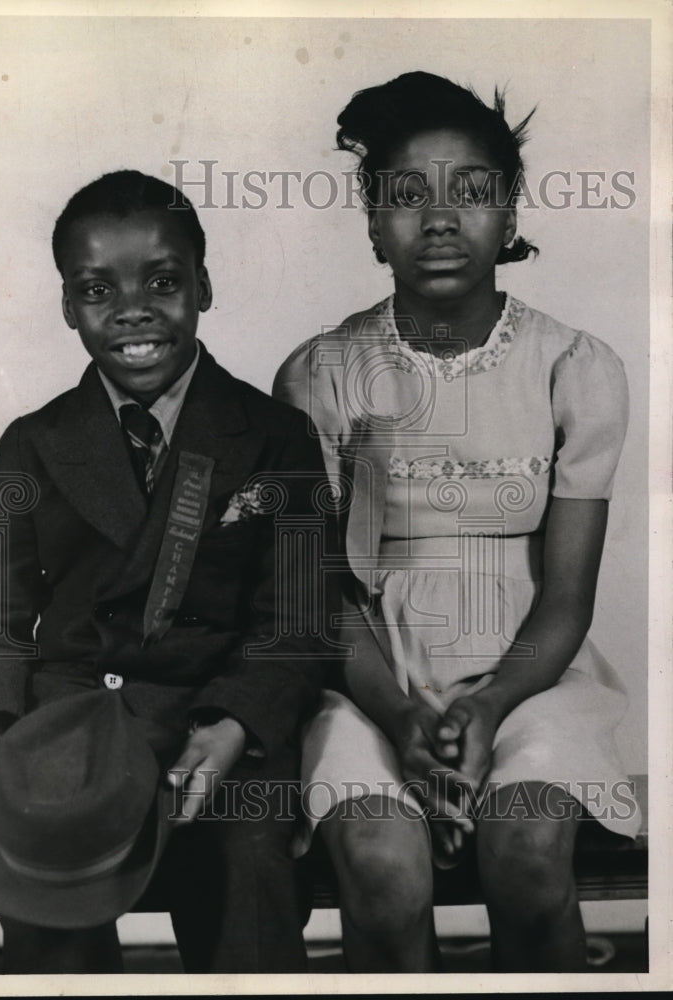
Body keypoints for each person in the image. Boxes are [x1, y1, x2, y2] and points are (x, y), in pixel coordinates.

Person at [273, 71, 642, 973]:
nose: (439, 219)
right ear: (371, 225)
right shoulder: (320, 373)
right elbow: (317, 594)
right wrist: (400, 714)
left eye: (471, 192)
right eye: (405, 197)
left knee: (522, 855)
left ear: (509, 215)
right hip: (365, 674)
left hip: (529, 672)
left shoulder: (574, 367)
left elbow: (564, 600)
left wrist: (488, 702)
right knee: (382, 872)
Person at [0, 169, 336, 974]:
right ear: (66, 307)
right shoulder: (32, 443)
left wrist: (235, 725)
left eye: (162, 282)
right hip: (72, 727)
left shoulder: (272, 436)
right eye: (96, 290)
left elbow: (297, 622)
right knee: (42, 878)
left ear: (204, 285)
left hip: (218, 722)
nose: (132, 310)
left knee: (250, 875)